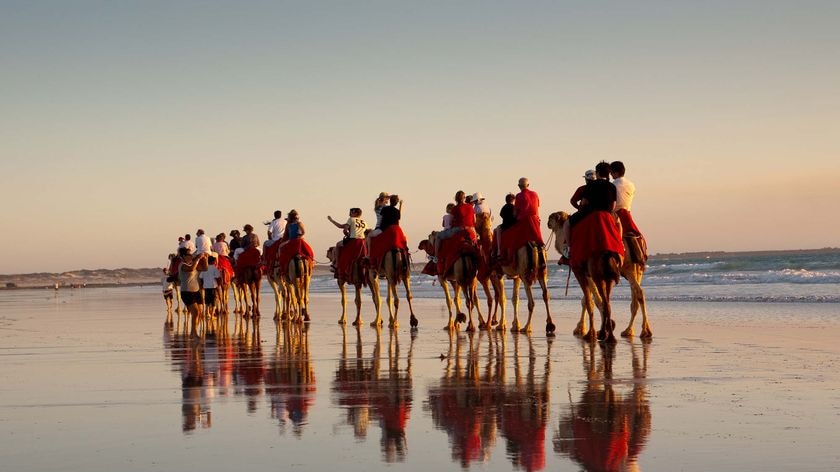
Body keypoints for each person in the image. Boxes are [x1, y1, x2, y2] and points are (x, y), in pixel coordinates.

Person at [499, 177, 543, 264]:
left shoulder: (519, 196)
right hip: (536, 221)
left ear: (519, 186)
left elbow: (515, 213)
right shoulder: (535, 194)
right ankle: (542, 259)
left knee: (510, 238)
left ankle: (511, 260)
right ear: (528, 185)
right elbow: (537, 206)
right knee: (539, 242)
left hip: (524, 222)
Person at [327, 208, 368, 277]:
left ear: (355, 213)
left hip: (353, 240)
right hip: (363, 241)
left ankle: (336, 264)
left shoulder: (351, 219)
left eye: (351, 213)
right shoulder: (364, 222)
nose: (349, 214)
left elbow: (343, 229)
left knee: (338, 245)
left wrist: (331, 220)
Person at [177, 248, 208, 336]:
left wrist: (205, 258)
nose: (191, 256)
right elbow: (191, 269)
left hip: (196, 291)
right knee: (195, 312)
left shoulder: (193, 263)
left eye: (191, 255)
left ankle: (194, 331)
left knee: (200, 313)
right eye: (189, 255)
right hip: (187, 291)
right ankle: (193, 332)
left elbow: (205, 268)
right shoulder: (182, 265)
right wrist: (197, 259)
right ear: (183, 256)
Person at [610, 161, 642, 236]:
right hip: (627, 214)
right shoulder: (631, 185)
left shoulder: (612, 185)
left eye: (611, 173)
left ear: (616, 173)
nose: (611, 175)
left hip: (615, 215)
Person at [494, 193, 516, 257]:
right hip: (513, 226)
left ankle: (498, 250)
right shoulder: (514, 207)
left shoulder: (504, 207)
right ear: (513, 200)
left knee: (497, 230)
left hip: (505, 226)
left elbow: (501, 214)